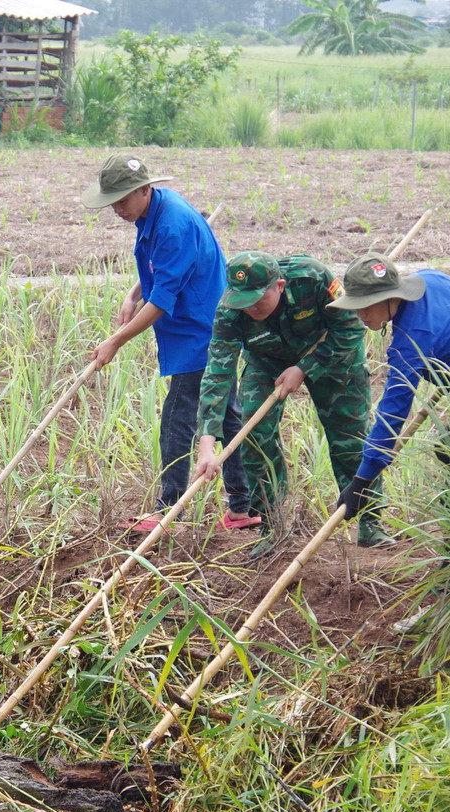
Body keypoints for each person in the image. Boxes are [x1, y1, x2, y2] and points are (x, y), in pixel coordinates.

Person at [82, 155, 254, 532]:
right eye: (112, 202)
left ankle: (169, 510)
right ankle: (243, 507)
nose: (117, 209)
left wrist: (115, 341)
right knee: (228, 415)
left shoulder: (172, 223)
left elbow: (162, 300)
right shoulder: (154, 212)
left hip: (201, 330)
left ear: (145, 189)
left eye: (122, 200)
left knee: (178, 417)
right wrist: (132, 294)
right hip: (198, 325)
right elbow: (159, 270)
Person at [192, 251, 390, 559]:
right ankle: (271, 525)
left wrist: (304, 368)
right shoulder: (230, 310)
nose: (250, 308)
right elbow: (218, 373)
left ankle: (369, 521)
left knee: (350, 437)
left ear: (280, 286)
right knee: (254, 434)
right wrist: (206, 443)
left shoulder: (312, 278)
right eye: (243, 301)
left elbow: (350, 328)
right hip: (267, 359)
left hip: (331, 353)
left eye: (258, 299)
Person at [328, 253, 450, 522]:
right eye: (356, 305)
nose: (359, 313)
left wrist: (362, 480)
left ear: (391, 297)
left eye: (366, 305)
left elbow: (393, 412)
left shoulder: (412, 341)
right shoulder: (429, 278)